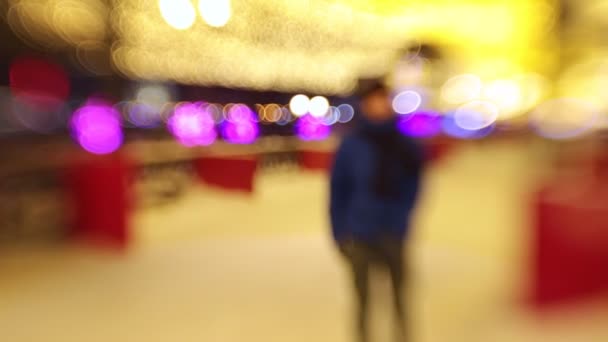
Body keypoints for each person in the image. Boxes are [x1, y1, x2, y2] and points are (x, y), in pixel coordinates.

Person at [330, 78, 424, 342]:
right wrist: (339, 231)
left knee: (400, 298)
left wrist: (401, 217)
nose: (379, 106)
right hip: (359, 231)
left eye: (383, 100)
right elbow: (338, 191)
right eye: (373, 101)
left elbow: (414, 186)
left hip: (392, 231)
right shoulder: (351, 145)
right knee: (362, 300)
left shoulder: (405, 145)